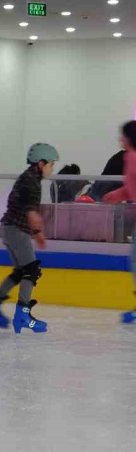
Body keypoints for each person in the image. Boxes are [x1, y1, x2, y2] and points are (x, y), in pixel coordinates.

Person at [0, 143, 59, 333]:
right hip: (17, 230)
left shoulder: (27, 177)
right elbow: (31, 213)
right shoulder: (32, 182)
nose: (53, 169)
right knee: (31, 271)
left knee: (20, 271)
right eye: (51, 164)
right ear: (41, 163)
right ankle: (22, 315)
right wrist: (39, 234)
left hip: (8, 228)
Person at [102, 121, 136, 323]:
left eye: (122, 135)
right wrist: (118, 193)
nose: (120, 139)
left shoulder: (131, 157)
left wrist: (122, 193)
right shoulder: (130, 157)